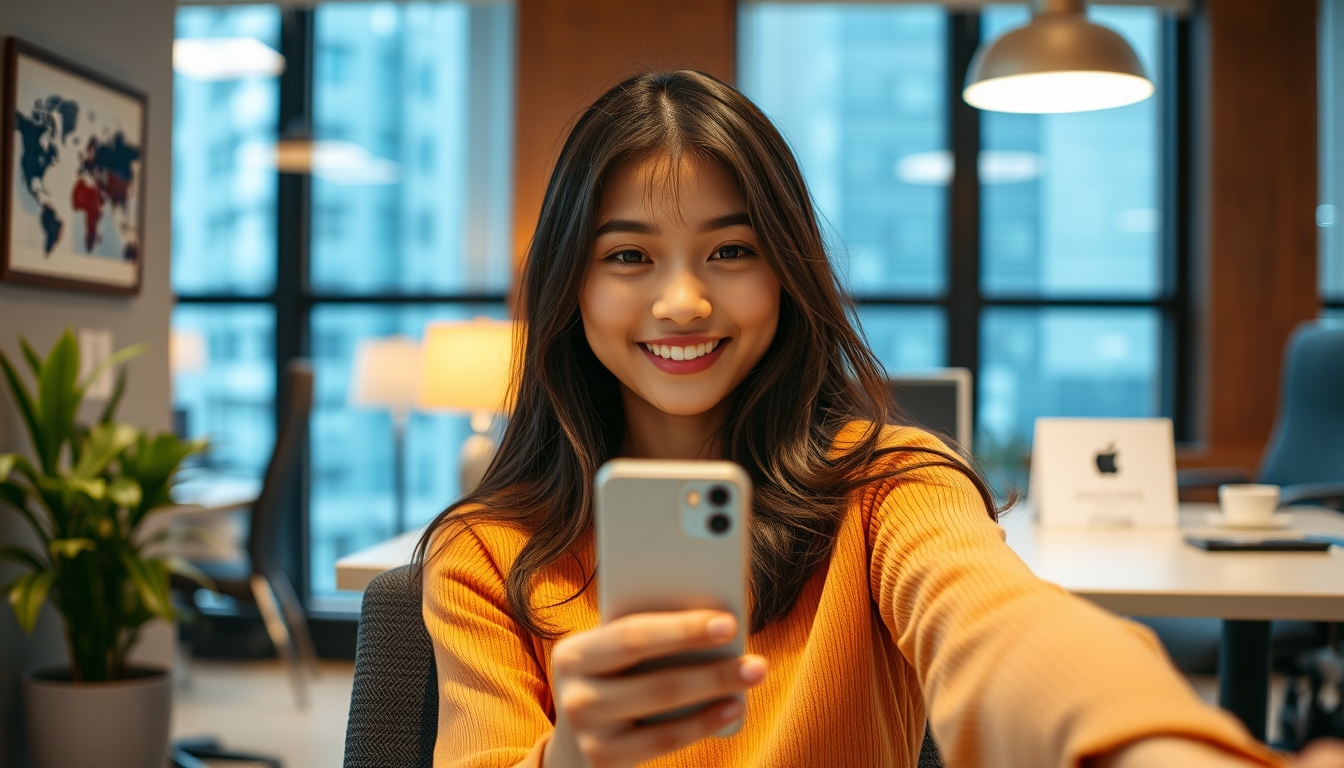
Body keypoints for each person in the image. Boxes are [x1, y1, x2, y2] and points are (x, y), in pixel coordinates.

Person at [417, 70, 1344, 768]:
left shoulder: (891, 484)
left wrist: (1153, 747)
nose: (684, 302)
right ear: (569, 286)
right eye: (628, 256)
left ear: (786, 269)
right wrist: (576, 754)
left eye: (731, 249)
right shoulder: (487, 550)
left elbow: (1003, 628)